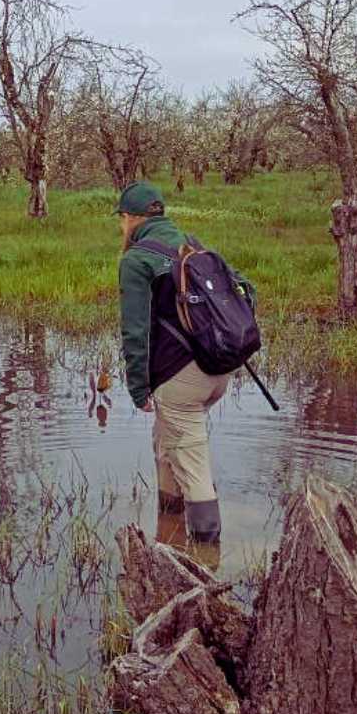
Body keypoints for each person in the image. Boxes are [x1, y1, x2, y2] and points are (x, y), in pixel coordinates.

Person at [116, 181, 254, 546]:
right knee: (165, 446)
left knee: (192, 463)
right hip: (219, 370)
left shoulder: (136, 259)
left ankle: (208, 559)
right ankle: (169, 534)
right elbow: (245, 290)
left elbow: (135, 331)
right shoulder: (192, 244)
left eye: (122, 220)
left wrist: (138, 389)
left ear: (130, 218)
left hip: (179, 382)